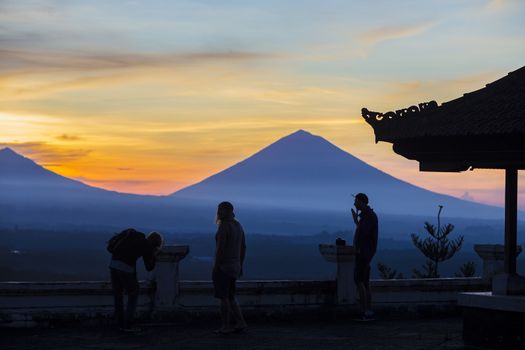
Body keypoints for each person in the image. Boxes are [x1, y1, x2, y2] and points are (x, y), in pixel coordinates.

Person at [107, 228, 163, 332]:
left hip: (113, 264)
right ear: (156, 244)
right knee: (134, 293)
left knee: (118, 295)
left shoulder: (136, 237)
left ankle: (119, 323)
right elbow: (149, 267)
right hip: (126, 268)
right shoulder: (147, 246)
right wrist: (155, 256)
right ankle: (128, 324)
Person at [212, 201, 247, 334]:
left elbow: (221, 249)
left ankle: (225, 326)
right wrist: (240, 265)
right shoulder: (238, 225)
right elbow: (243, 247)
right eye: (219, 210)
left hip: (224, 267)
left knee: (223, 297)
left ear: (227, 211)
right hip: (234, 266)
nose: (219, 213)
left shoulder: (224, 226)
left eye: (221, 210)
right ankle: (241, 322)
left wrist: (216, 266)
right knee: (231, 296)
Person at [351, 193, 378, 321]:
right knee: (365, 282)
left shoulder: (368, 217)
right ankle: (368, 311)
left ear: (361, 202)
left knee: (359, 280)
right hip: (366, 253)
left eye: (356, 201)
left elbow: (365, 233)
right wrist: (357, 221)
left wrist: (358, 222)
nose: (354, 204)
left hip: (363, 253)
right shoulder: (368, 216)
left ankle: (365, 311)